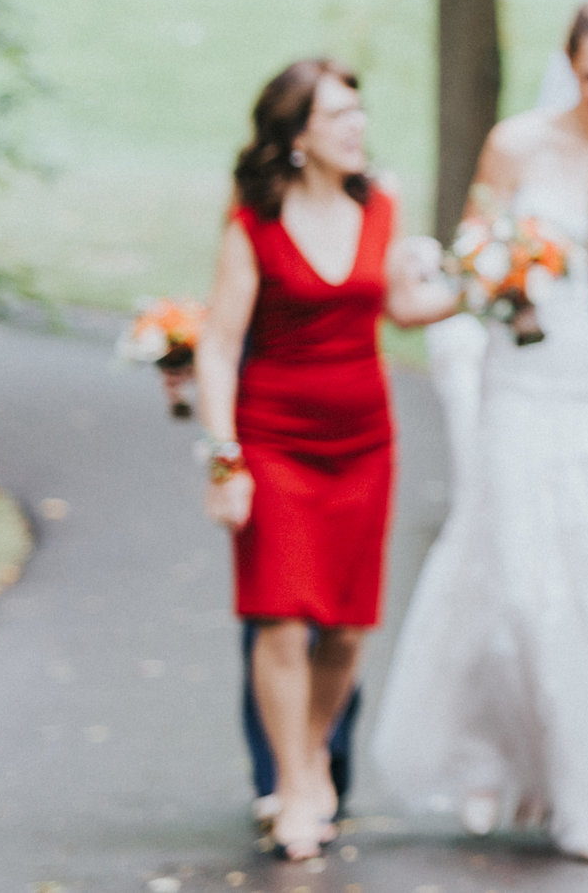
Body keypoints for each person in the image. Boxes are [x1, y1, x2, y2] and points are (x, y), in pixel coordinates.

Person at [370, 0, 588, 860]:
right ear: (569, 65)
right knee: (521, 586)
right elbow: (472, 248)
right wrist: (499, 275)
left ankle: (581, 790)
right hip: (522, 380)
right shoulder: (516, 143)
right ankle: (490, 752)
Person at [193, 59, 462, 862]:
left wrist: (488, 284)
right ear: (298, 135)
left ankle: (309, 758)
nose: (357, 126)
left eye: (359, 110)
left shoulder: (382, 203)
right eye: (338, 115)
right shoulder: (254, 224)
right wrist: (224, 457)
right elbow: (217, 344)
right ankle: (296, 785)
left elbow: (402, 305)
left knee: (346, 627)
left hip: (364, 442)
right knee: (280, 618)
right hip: (274, 440)